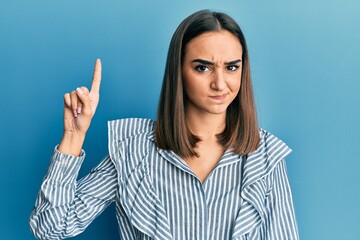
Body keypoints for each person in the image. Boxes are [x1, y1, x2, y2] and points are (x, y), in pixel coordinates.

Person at [29, 9, 299, 240]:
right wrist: (74, 136)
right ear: (178, 70)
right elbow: (50, 228)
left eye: (231, 67)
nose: (220, 83)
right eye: (203, 67)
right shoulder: (132, 150)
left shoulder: (265, 158)